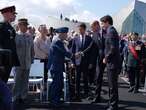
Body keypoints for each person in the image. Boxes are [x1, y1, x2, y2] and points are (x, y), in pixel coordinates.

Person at [48, 27, 79, 107]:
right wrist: (75, 56)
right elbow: (66, 53)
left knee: (58, 83)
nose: (66, 35)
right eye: (65, 34)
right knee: (56, 84)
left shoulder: (58, 41)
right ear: (61, 34)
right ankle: (54, 101)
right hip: (56, 66)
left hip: (57, 66)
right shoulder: (58, 42)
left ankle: (55, 99)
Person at [100, 15, 121, 110]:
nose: (101, 25)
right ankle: (111, 103)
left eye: (102, 23)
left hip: (112, 63)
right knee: (111, 85)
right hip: (111, 62)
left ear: (107, 22)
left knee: (113, 86)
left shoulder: (111, 31)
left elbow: (113, 48)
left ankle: (113, 105)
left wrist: (106, 57)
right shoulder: (110, 31)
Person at [13, 18, 34, 103]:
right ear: (19, 25)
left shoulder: (29, 36)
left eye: (26, 25)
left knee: (25, 81)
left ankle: (23, 96)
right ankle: (15, 97)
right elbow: (13, 49)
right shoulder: (15, 36)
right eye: (24, 25)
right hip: (18, 62)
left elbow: (32, 49)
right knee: (17, 81)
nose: (26, 27)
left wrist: (31, 59)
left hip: (27, 62)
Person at [71, 23, 93, 101]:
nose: (80, 31)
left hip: (86, 62)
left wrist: (90, 62)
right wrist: (72, 62)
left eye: (81, 29)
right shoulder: (75, 38)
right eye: (79, 29)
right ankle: (77, 95)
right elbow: (72, 51)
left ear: (84, 29)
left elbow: (91, 52)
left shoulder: (89, 38)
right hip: (77, 62)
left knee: (85, 78)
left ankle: (86, 94)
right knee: (77, 79)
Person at [0, 5, 20, 83]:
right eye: (13, 13)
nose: (14, 16)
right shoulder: (1, 26)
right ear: (6, 14)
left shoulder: (10, 28)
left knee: (4, 82)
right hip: (2, 61)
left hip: (9, 60)